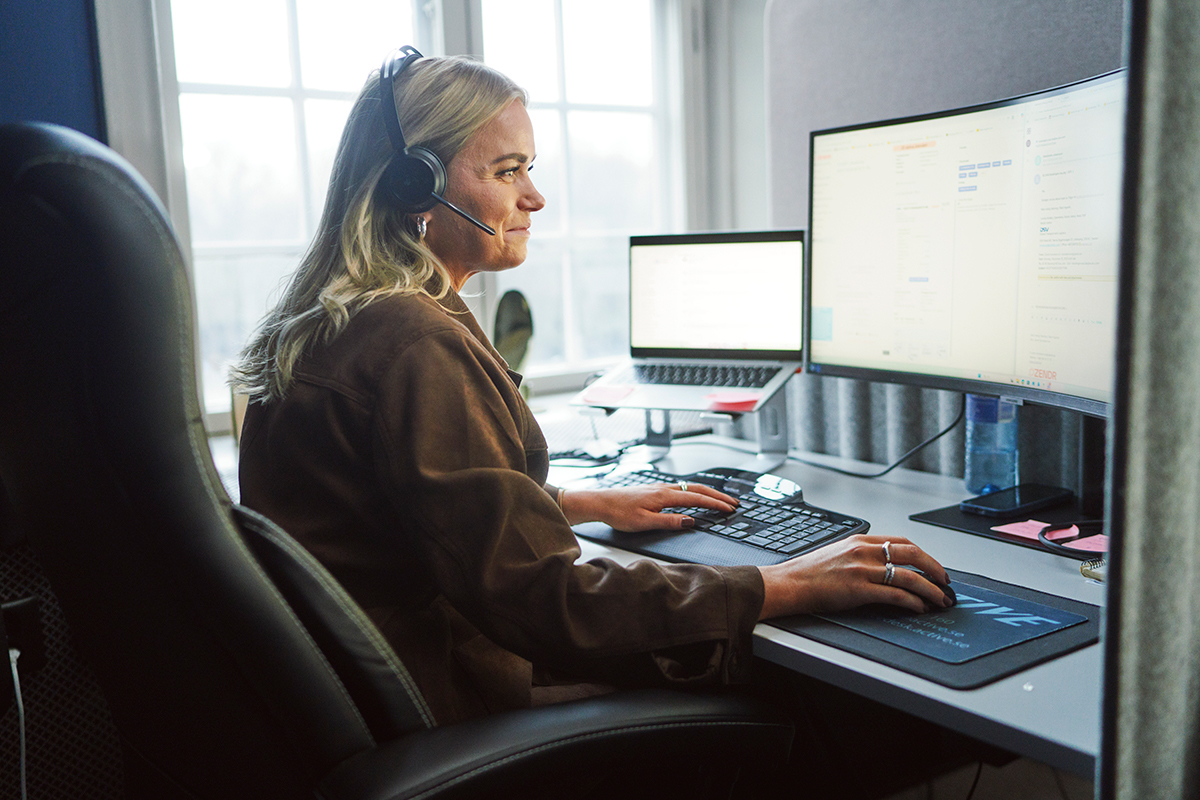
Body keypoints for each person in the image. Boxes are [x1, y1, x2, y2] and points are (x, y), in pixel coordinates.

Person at [232, 49, 953, 730]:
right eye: (509, 171)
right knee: (812, 699)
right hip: (454, 700)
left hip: (379, 697)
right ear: (413, 186)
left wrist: (574, 503)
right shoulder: (413, 342)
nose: (535, 198)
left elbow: (401, 511)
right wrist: (786, 583)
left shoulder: (333, 318)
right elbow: (550, 604)